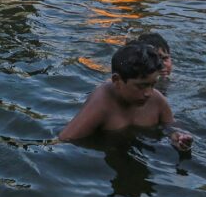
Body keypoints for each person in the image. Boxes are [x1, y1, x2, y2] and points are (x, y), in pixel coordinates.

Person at [60, 44, 192, 151]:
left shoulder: (157, 100)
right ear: (117, 81)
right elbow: (66, 140)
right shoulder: (101, 104)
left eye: (152, 85)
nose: (148, 93)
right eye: (141, 86)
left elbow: (171, 126)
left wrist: (177, 136)